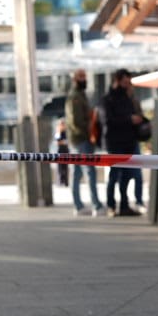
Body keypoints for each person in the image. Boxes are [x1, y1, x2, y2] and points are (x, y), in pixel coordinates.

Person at [99, 68, 145, 216]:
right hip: (114, 142)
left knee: (127, 175)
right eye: (125, 82)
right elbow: (107, 120)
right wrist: (129, 119)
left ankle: (124, 205)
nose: (128, 85)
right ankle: (111, 206)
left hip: (128, 142)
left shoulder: (127, 98)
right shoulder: (107, 99)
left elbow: (134, 114)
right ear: (118, 81)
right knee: (114, 175)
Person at [65, 69, 101, 216]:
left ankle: (80, 205)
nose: (84, 80)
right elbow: (76, 121)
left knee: (80, 172)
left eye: (85, 76)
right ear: (74, 79)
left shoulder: (81, 95)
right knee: (86, 171)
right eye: (81, 77)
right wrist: (89, 132)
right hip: (80, 140)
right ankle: (93, 205)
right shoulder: (75, 97)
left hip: (82, 139)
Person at [54, 117, 70, 186]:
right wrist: (63, 142)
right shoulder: (58, 132)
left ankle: (66, 182)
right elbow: (57, 142)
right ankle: (60, 182)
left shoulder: (66, 133)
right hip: (60, 151)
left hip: (65, 151)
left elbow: (68, 141)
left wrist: (63, 142)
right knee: (60, 167)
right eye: (62, 124)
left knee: (65, 167)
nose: (63, 125)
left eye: (63, 124)